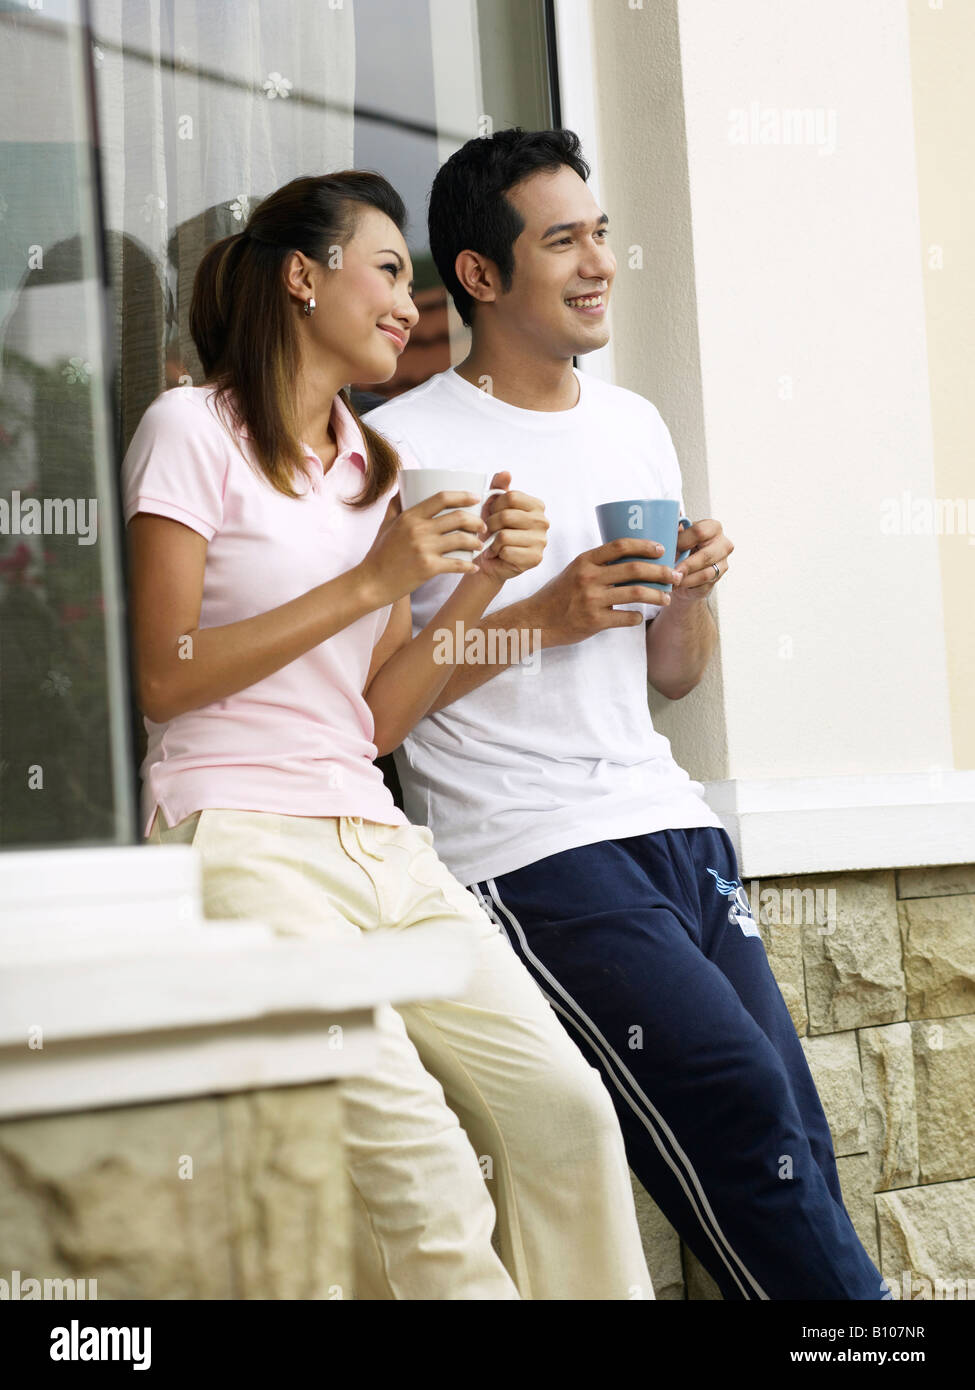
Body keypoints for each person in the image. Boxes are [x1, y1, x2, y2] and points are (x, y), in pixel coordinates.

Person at [365, 130, 889, 1301]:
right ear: (483, 276)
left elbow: (674, 674)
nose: (601, 260)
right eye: (564, 240)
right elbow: (376, 699)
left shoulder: (633, 422)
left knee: (787, 1113)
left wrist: (691, 594)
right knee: (736, 1103)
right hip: (531, 848)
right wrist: (541, 614)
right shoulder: (405, 447)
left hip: (672, 821)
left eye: (600, 232)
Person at [120, 171, 652, 1301]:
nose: (413, 303)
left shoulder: (377, 470)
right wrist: (376, 575)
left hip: (378, 840)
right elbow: (164, 679)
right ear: (303, 278)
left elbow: (372, 716)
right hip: (241, 836)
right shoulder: (190, 429)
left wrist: (476, 585)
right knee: (426, 1171)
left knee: (567, 1115)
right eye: (390, 270)